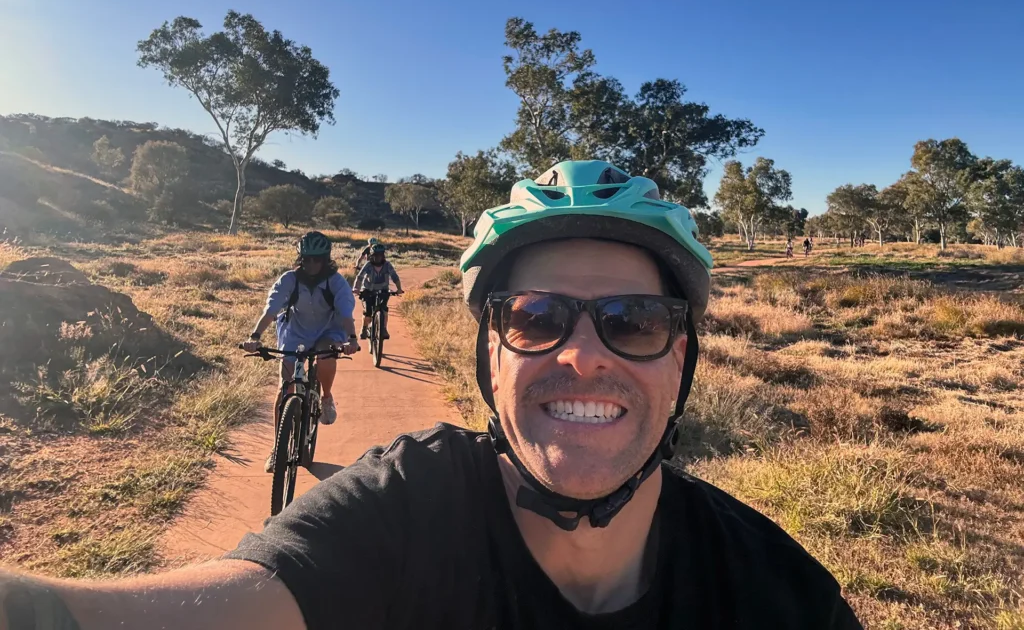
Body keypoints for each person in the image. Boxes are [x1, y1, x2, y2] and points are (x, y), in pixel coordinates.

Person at [0, 161, 862, 630]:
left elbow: (354, 308)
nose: (585, 356)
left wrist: (347, 330)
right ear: (489, 353)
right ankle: (285, 429)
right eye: (536, 317)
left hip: (331, 336)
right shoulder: (402, 516)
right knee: (288, 382)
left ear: (682, 358)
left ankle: (326, 394)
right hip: (295, 342)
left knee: (332, 361)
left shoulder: (780, 596)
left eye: (633, 321)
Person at [241, 231, 359, 472]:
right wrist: (255, 337)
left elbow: (346, 314)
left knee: (326, 352)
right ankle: (277, 449)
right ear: (300, 259)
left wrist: (352, 339)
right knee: (285, 387)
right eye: (307, 259)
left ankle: (326, 396)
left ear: (326, 259)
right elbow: (271, 310)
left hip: (327, 330)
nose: (312, 265)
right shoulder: (289, 280)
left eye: (318, 260)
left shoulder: (336, 282)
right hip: (295, 333)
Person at [352, 243, 403, 339]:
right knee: (368, 311)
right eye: (376, 255)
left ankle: (383, 329)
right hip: (368, 290)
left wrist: (399, 288)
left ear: (383, 255)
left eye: (380, 255)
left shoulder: (387, 265)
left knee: (384, 309)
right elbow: (360, 277)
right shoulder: (368, 265)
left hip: (383, 290)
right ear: (372, 255)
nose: (378, 257)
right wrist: (356, 288)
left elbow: (394, 277)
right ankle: (364, 328)